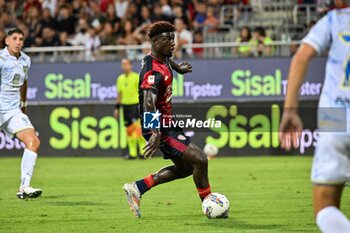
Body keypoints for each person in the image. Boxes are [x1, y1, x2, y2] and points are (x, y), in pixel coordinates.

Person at [123, 21, 211, 218]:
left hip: (166, 123)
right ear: (154, 41)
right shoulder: (152, 72)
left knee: (185, 169)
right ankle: (210, 203)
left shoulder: (160, 58)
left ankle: (137, 187)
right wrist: (155, 132)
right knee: (201, 160)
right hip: (159, 126)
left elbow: (166, 61)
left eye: (173, 38)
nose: (173, 43)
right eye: (167, 39)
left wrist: (177, 68)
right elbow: (148, 102)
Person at [279, 6, 350, 233]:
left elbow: (301, 57)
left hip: (336, 115)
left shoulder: (334, 20)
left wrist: (290, 110)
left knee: (326, 209)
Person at [0, 28, 42, 199]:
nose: (18, 42)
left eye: (21, 39)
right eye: (15, 38)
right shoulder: (1, 60)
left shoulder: (26, 60)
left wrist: (23, 103)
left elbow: (24, 81)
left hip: (12, 110)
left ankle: (25, 186)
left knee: (34, 142)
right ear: (7, 41)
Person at [114, 58, 145, 160]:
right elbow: (119, 94)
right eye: (123, 64)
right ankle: (132, 153)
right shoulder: (120, 79)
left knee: (138, 130)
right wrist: (117, 108)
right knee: (129, 130)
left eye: (127, 64)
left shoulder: (136, 77)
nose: (125, 66)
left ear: (131, 65)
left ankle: (142, 152)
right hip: (125, 106)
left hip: (136, 105)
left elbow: (142, 92)